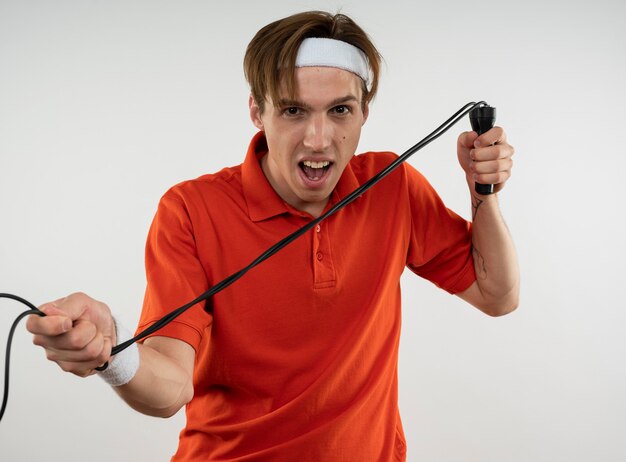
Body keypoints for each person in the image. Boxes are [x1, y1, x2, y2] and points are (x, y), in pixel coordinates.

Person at [26, 10, 519, 461]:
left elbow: (497, 294)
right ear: (257, 112)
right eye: (293, 111)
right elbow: (171, 387)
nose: (319, 139)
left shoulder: (391, 185)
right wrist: (113, 352)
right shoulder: (191, 210)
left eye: (340, 111)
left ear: (365, 112)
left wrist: (483, 192)